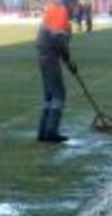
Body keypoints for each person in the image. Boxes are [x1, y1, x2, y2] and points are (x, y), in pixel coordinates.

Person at [36, 0, 77, 142]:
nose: (75, 8)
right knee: (59, 94)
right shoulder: (61, 11)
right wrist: (68, 60)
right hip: (50, 56)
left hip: (44, 55)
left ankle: (43, 131)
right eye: (75, 5)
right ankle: (51, 132)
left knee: (49, 96)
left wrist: (66, 58)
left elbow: (58, 38)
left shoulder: (55, 8)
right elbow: (59, 39)